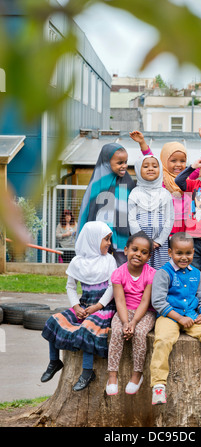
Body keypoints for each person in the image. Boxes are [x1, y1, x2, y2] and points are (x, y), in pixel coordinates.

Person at [150, 232, 201, 405]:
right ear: (170, 252)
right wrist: (178, 318)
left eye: (188, 253)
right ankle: (158, 385)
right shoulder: (163, 273)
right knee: (163, 340)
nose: (184, 258)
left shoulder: (197, 273)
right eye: (179, 253)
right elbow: (158, 302)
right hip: (168, 316)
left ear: (193, 252)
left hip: (192, 316)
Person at [41, 221, 117, 391]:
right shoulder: (77, 262)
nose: (109, 244)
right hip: (83, 306)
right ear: (93, 239)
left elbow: (112, 287)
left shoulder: (109, 261)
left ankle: (87, 371)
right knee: (54, 321)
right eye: (106, 239)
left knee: (86, 328)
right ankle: (54, 361)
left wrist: (97, 306)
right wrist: (76, 307)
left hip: (103, 308)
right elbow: (70, 286)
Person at [129, 121, 201, 235]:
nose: (178, 164)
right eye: (173, 160)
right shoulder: (162, 176)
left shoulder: (188, 176)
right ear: (165, 161)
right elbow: (149, 157)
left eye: (182, 161)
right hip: (167, 222)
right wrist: (142, 142)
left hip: (187, 222)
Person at [106, 231, 157, 396]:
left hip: (145, 313)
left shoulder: (151, 274)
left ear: (148, 257)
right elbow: (119, 301)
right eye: (135, 249)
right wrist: (125, 322)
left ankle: (137, 374)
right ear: (126, 250)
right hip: (123, 311)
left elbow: (145, 301)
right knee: (116, 332)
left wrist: (133, 322)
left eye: (144, 252)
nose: (138, 254)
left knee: (140, 333)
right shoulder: (118, 273)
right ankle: (112, 375)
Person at [76, 142, 135, 267]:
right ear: (107, 162)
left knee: (123, 266)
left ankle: (120, 287)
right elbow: (86, 211)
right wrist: (81, 238)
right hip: (100, 237)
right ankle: (100, 287)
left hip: (122, 237)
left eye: (126, 161)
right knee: (99, 265)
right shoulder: (96, 184)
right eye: (120, 163)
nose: (124, 166)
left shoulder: (128, 182)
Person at [128, 155, 174, 269]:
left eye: (155, 166)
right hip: (140, 242)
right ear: (138, 170)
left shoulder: (165, 193)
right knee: (141, 268)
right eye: (145, 166)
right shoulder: (135, 193)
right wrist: (142, 239)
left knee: (160, 270)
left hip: (160, 244)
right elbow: (131, 219)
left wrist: (159, 241)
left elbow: (170, 219)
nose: (150, 168)